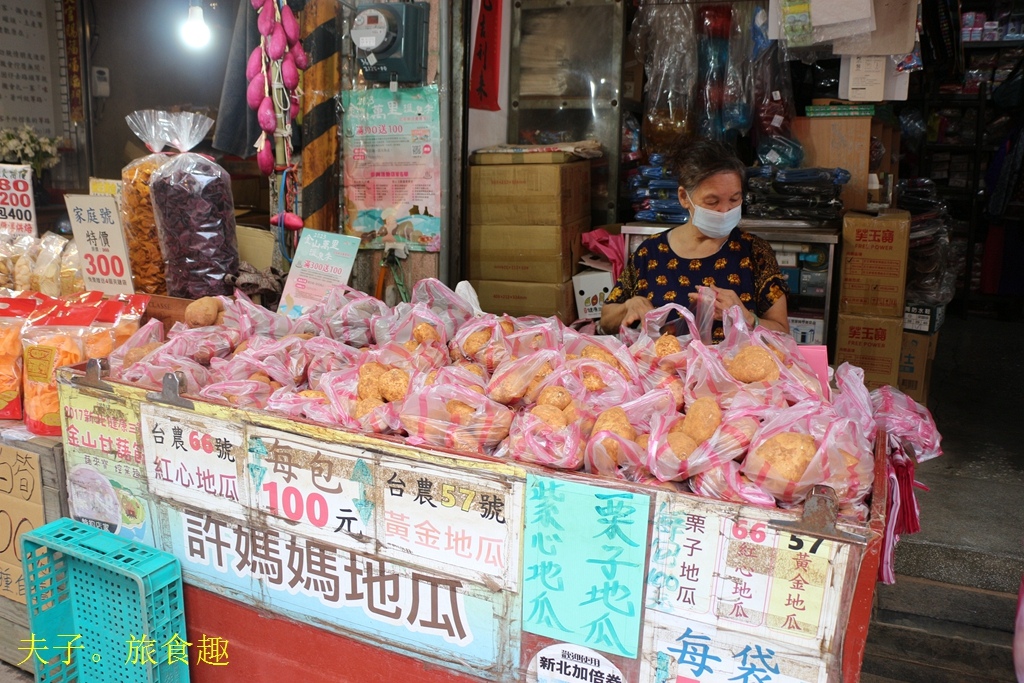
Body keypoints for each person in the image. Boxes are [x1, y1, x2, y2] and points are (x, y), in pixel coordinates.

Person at [600, 138, 790, 342]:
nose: (725, 210)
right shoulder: (650, 252)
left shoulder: (755, 252)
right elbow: (606, 320)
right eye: (712, 201)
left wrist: (747, 318)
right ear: (684, 198)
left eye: (734, 199)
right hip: (662, 371)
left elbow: (783, 333)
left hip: (729, 372)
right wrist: (630, 306)